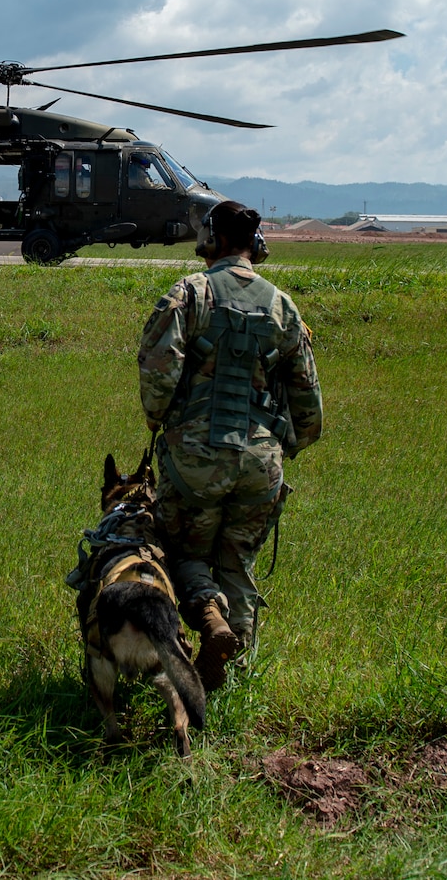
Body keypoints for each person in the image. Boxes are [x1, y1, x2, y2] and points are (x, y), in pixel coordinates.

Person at [136, 199, 321, 690]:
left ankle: (194, 641)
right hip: (261, 463)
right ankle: (235, 679)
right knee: (238, 564)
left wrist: (162, 422)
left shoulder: (189, 294)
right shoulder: (283, 305)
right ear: (256, 247)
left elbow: (158, 372)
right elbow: (308, 401)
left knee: (180, 552)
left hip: (194, 462)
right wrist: (285, 449)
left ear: (210, 240)